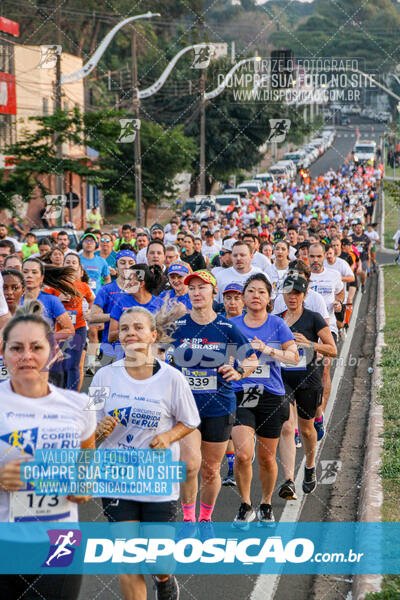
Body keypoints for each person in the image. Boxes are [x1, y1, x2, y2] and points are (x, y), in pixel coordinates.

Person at [91, 305, 200, 600]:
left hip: (157, 480)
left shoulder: (171, 378)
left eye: (138, 327)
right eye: (125, 328)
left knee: (158, 560)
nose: (130, 333)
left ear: (153, 335)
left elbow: (190, 420)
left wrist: (167, 436)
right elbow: (87, 424)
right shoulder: (103, 377)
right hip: (116, 476)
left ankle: (164, 580)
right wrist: (97, 431)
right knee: (128, 562)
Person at [0, 301, 96, 600]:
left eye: (36, 347)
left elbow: (86, 472)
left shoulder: (79, 406)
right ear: (3, 353)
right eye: (16, 348)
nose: (26, 356)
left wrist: (82, 487)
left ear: (54, 352)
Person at [168, 270, 258, 523]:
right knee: (189, 464)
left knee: (210, 469)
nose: (196, 293)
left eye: (202, 288)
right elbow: (156, 352)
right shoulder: (178, 325)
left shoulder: (226, 326)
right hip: (185, 407)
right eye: (192, 288)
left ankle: (205, 518)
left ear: (212, 292)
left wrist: (238, 371)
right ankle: (188, 519)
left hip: (219, 406)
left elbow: (251, 359)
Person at [230, 274, 299, 524]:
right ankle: (245, 503)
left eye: (261, 291)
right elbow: (225, 357)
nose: (256, 295)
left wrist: (267, 350)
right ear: (244, 297)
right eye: (251, 291)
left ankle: (266, 503)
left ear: (269, 298)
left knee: (267, 457)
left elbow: (294, 357)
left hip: (271, 395)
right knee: (243, 454)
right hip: (243, 393)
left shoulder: (277, 325)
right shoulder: (233, 324)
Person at [277, 273, 337, 500]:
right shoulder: (276, 318)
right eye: (288, 293)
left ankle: (310, 466)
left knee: (307, 429)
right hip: (282, 379)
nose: (292, 297)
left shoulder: (314, 319)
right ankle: (289, 480)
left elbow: (332, 349)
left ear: (304, 295)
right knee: (286, 427)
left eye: (297, 293)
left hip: (308, 380)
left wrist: (309, 344)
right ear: (282, 294)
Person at [308, 243, 344, 440]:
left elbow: (340, 292)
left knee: (324, 369)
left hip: (327, 328)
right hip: (306, 329)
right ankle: (305, 415)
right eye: (311, 256)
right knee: (304, 372)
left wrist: (338, 303)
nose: (314, 260)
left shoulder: (333, 275)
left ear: (324, 256)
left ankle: (319, 413)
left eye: (318, 256)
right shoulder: (303, 276)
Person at [46, 253, 95, 390]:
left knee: (73, 364)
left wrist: (90, 312)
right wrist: (58, 300)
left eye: (74, 262)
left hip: (79, 327)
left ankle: (72, 396)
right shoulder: (54, 285)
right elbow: (45, 305)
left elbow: (92, 300)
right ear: (63, 266)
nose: (71, 264)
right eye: (68, 261)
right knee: (58, 365)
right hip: (60, 329)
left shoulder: (83, 286)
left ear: (79, 267)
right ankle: (58, 394)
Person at [88, 249, 137, 367]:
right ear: (116, 266)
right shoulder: (106, 290)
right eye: (122, 262)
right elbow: (92, 317)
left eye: (131, 263)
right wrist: (116, 316)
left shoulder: (141, 289)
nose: (127, 266)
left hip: (136, 347)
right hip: (111, 347)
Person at [108, 265, 163, 343]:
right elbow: (111, 337)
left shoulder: (160, 304)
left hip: (152, 351)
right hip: (126, 352)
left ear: (141, 284)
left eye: (129, 279)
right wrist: (128, 329)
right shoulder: (121, 302)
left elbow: (165, 335)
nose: (125, 283)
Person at [349, 220, 371, 293]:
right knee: (355, 273)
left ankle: (363, 284)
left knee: (363, 273)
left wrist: (369, 250)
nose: (358, 229)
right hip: (354, 257)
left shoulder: (365, 237)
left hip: (363, 256)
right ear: (355, 228)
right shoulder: (351, 237)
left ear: (362, 228)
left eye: (360, 227)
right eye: (357, 227)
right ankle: (356, 285)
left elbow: (369, 243)